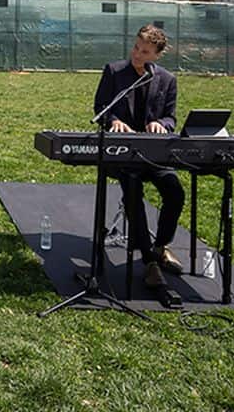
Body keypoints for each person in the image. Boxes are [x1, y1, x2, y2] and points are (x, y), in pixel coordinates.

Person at [93, 24, 185, 288]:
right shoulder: (114, 72)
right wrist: (114, 121)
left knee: (174, 190)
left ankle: (159, 247)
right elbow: (101, 106)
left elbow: (171, 117)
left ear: (156, 55)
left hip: (154, 153)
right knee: (133, 194)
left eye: (144, 52)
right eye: (136, 47)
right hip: (122, 154)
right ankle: (149, 262)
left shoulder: (167, 80)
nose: (137, 54)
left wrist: (162, 125)